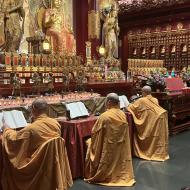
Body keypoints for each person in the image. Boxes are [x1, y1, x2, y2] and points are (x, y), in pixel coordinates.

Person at [1, 98, 73, 190]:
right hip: (51, 163)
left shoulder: (31, 129)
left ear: (34, 109)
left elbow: (14, 139)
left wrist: (7, 129)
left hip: (36, 165)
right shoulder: (55, 123)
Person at [84, 93, 135, 186]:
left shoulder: (104, 116)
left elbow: (95, 133)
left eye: (106, 101)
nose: (105, 103)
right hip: (120, 147)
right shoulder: (122, 114)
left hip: (108, 148)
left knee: (88, 141)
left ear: (109, 102)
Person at [127, 86, 169, 161]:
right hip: (162, 117)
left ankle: (150, 152)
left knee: (152, 136)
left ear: (144, 92)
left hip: (155, 119)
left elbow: (132, 108)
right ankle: (160, 153)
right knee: (158, 137)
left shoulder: (142, 100)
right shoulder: (155, 99)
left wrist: (129, 104)